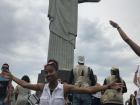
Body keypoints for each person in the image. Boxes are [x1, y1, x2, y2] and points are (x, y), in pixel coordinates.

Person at [4, 59, 123, 105]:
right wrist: (11, 75)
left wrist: (108, 86)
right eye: (46, 72)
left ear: (57, 72)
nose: (48, 74)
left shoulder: (65, 88)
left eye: (51, 71)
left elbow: (89, 89)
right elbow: (24, 84)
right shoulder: (42, 87)